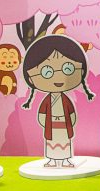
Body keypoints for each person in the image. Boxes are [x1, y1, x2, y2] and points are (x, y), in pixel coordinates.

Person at [22, 35, 94, 168]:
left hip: (64, 125)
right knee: (52, 143)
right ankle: (52, 160)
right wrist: (45, 123)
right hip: (51, 125)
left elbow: (71, 114)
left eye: (68, 69)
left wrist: (70, 122)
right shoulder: (47, 101)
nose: (58, 77)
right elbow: (42, 114)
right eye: (47, 72)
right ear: (31, 78)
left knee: (65, 143)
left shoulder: (66, 100)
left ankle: (65, 160)